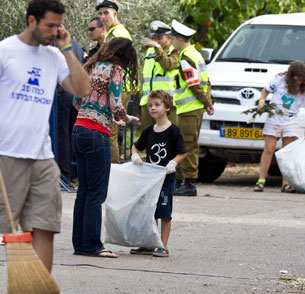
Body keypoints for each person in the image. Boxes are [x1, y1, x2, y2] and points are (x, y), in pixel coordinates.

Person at [0, 0, 90, 294]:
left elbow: (82, 90)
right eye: (50, 26)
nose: (55, 31)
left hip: (42, 158)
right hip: (6, 156)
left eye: (59, 26)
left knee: (45, 227)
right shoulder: (3, 51)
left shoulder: (55, 55)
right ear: (32, 20)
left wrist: (68, 47)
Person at [71, 37, 138, 258]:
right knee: (96, 193)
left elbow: (76, 101)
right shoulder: (114, 70)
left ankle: (80, 244)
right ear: (125, 57)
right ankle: (92, 245)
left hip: (79, 129)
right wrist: (124, 117)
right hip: (97, 134)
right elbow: (115, 103)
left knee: (83, 190)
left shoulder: (90, 66)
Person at [130, 90, 186, 257]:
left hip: (166, 179)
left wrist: (173, 162)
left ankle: (163, 245)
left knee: (164, 212)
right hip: (151, 180)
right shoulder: (148, 131)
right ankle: (150, 243)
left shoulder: (174, 131)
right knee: (150, 211)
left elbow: (182, 152)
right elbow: (136, 146)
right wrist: (134, 155)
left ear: (167, 107)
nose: (152, 108)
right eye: (150, 105)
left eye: (157, 105)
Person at [253, 61, 305, 193]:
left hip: (290, 120)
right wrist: (262, 102)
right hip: (274, 118)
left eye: (301, 80)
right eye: (296, 79)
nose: (298, 82)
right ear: (291, 76)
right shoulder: (280, 80)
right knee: (269, 149)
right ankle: (261, 181)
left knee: (286, 153)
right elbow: (265, 90)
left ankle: (285, 184)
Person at [170, 19, 214, 197]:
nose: (171, 42)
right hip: (192, 108)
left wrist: (207, 103)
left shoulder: (186, 57)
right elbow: (207, 82)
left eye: (173, 38)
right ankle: (182, 182)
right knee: (186, 144)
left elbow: (195, 84)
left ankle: (188, 183)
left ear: (180, 39)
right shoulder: (196, 54)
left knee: (187, 146)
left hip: (190, 108)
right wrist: (208, 101)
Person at [97, 0, 132, 164]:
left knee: (110, 130)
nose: (103, 16)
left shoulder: (118, 34)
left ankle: (113, 174)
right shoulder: (113, 32)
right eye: (101, 13)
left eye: (106, 13)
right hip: (118, 84)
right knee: (110, 129)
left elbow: (114, 63)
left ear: (115, 14)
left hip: (119, 86)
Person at [140, 20, 179, 130]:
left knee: (168, 139)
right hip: (148, 103)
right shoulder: (150, 52)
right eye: (155, 39)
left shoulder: (174, 52)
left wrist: (158, 47)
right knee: (148, 139)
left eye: (160, 38)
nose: (156, 41)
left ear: (169, 38)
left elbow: (167, 65)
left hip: (166, 104)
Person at [56, 39, 83, 187]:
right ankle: (72, 173)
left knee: (63, 135)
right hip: (75, 94)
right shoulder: (76, 46)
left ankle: (64, 174)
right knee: (71, 134)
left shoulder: (56, 46)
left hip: (64, 93)